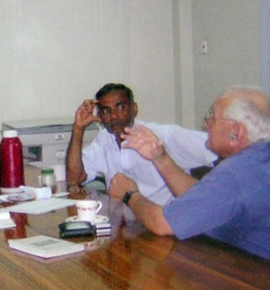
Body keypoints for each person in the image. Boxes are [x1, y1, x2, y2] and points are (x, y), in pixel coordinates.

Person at [108, 87, 270, 264]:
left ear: (236, 132)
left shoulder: (236, 174)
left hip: (253, 280)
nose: (206, 124)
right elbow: (201, 197)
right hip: (250, 265)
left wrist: (129, 194)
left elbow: (162, 223)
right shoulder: (265, 158)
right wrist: (160, 158)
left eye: (212, 117)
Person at [66, 83, 217, 205]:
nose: (114, 116)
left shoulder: (162, 135)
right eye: (106, 111)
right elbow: (75, 179)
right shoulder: (104, 140)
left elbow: (221, 149)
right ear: (99, 117)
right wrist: (78, 129)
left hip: (164, 222)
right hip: (126, 224)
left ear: (135, 109)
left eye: (121, 108)